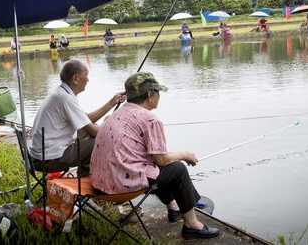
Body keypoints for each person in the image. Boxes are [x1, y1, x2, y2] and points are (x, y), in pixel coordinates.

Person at [90, 72, 220, 240]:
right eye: (158, 92)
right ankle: (192, 225)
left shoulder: (115, 115)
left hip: (99, 182)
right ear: (151, 95)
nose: (159, 96)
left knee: (159, 169)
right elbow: (161, 160)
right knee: (177, 169)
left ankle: (174, 208)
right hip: (119, 186)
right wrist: (185, 155)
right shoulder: (150, 119)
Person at [29, 59, 125, 175]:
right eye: (86, 75)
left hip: (42, 154)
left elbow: (85, 120)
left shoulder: (62, 93)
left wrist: (111, 103)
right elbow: (94, 132)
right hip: (47, 159)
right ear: (75, 79)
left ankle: (86, 178)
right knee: (100, 140)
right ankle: (87, 183)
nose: (88, 79)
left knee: (90, 132)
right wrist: (110, 125)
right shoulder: (65, 98)